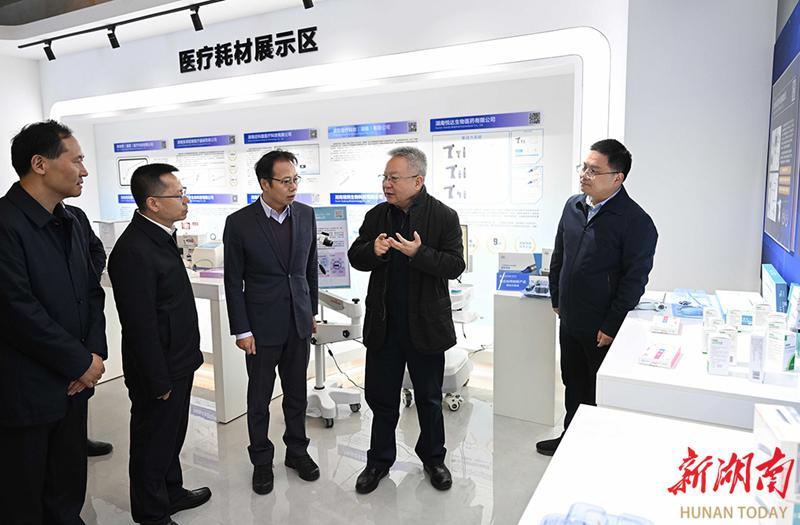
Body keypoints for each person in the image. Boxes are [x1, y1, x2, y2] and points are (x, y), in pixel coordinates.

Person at [0, 120, 107, 524]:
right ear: (40, 164)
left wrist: (93, 356)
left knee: (67, 485)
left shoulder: (72, 221)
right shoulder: (5, 224)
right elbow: (16, 310)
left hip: (74, 384)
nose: (84, 170)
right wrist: (78, 362)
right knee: (24, 493)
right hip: (27, 390)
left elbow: (91, 292)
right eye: (76, 160)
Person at [348, 146, 465, 494]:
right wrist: (373, 251)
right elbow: (356, 255)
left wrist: (419, 253)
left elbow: (455, 265)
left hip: (425, 326)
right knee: (382, 399)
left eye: (394, 178)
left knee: (429, 398)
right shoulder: (377, 215)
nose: (387, 184)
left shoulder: (443, 216)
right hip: (385, 326)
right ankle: (378, 461)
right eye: (385, 177)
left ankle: (434, 459)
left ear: (418, 180)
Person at [536, 139, 658, 457]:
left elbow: (634, 280)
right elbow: (559, 255)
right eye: (584, 167)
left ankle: (595, 450)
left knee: (597, 388)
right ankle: (570, 438)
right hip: (570, 317)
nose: (584, 175)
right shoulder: (573, 206)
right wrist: (556, 298)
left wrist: (612, 324)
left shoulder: (636, 221)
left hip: (602, 325)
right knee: (572, 381)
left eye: (594, 170)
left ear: (617, 177)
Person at [108, 163, 211, 525]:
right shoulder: (133, 249)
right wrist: (157, 379)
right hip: (159, 368)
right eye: (178, 195)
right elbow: (139, 325)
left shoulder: (161, 236)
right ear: (152, 202)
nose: (185, 201)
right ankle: (151, 513)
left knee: (171, 434)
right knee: (152, 442)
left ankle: (172, 492)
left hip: (178, 360)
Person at [223, 150, 320, 495]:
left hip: (298, 321)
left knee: (296, 394)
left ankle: (297, 452)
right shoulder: (239, 222)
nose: (293, 187)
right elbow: (233, 280)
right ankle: (262, 461)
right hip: (260, 327)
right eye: (285, 181)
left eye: (296, 179)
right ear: (265, 183)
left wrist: (311, 312)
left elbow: (309, 268)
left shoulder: (306, 214)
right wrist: (242, 329)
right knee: (259, 398)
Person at [66, 202, 115, 458]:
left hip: (81, 328)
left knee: (79, 396)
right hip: (53, 343)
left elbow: (96, 250)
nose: (81, 180)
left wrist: (86, 277)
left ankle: (78, 439)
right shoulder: (12, 221)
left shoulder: (76, 215)